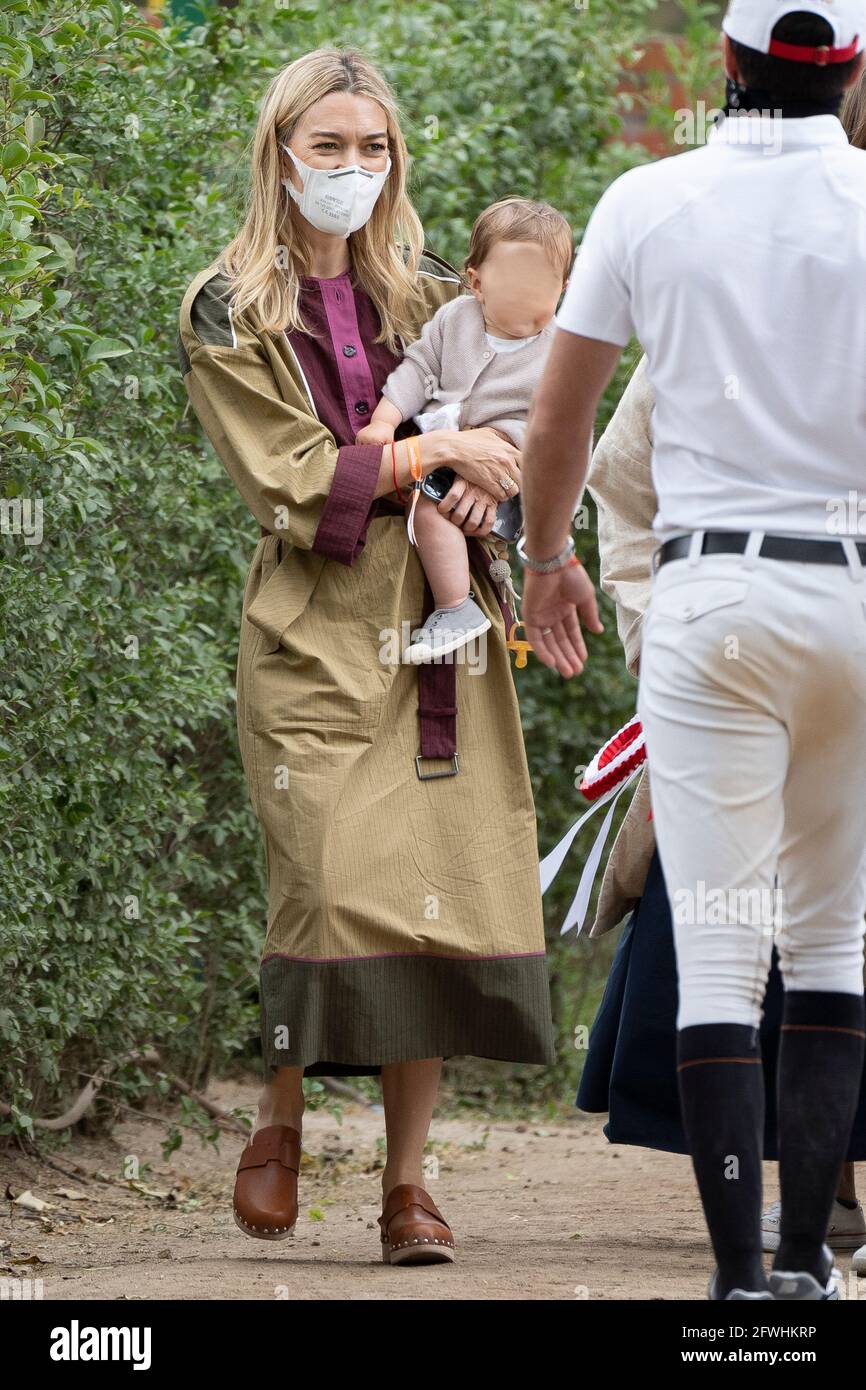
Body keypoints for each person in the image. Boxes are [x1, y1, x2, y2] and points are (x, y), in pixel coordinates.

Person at [177, 45, 556, 1267]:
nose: (351, 167)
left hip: (442, 622)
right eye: (327, 145)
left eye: (371, 146)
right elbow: (288, 477)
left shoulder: (434, 292)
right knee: (328, 877)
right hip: (310, 624)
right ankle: (283, 1102)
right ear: (280, 151)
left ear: (396, 158)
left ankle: (407, 1188)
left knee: (433, 890)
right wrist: (438, 458)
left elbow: (522, 422)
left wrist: (507, 511)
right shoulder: (227, 304)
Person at [518, 0, 866, 1300]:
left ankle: (736, 1281)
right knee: (835, 943)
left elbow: (565, 417)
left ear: (725, 62)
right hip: (854, 593)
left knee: (721, 942)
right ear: (854, 67)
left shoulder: (648, 198)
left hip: (713, 592)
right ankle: (806, 1267)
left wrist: (545, 557)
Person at [357, 198, 571, 663]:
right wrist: (384, 421)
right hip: (446, 450)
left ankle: (457, 608)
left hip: (511, 478)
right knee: (422, 500)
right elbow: (418, 371)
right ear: (476, 282)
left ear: (563, 288)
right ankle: (456, 596)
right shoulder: (455, 321)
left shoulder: (560, 352)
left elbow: (563, 431)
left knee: (432, 509)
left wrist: (506, 450)